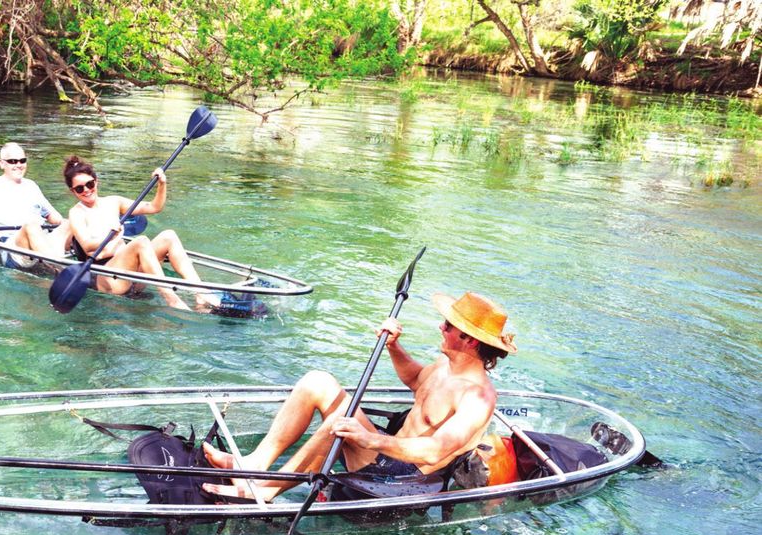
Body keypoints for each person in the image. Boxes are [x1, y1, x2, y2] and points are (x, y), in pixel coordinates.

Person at [201, 292, 518, 502]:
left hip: (403, 475)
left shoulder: (478, 398)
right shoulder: (445, 365)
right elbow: (414, 380)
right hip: (387, 451)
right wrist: (394, 346)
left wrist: (372, 441)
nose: (441, 326)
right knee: (318, 382)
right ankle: (255, 463)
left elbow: (436, 450)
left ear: (470, 340)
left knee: (339, 424)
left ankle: (262, 490)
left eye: (448, 325)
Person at [61, 155, 217, 312]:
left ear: (96, 181)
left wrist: (162, 184)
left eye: (89, 184)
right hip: (107, 279)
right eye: (80, 188)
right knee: (141, 241)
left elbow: (154, 207)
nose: (87, 190)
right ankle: (172, 299)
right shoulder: (76, 213)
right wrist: (111, 236)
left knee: (168, 236)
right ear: (73, 191)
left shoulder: (113, 201)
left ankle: (201, 293)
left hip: (132, 274)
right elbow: (87, 246)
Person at [0, 142, 69, 266]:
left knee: (70, 222)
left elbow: (56, 219)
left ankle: (81, 261)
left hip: (42, 238)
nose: (19, 165)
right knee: (30, 226)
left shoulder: (31, 186)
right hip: (14, 247)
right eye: (13, 161)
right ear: (2, 164)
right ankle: (59, 267)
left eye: (22, 161)